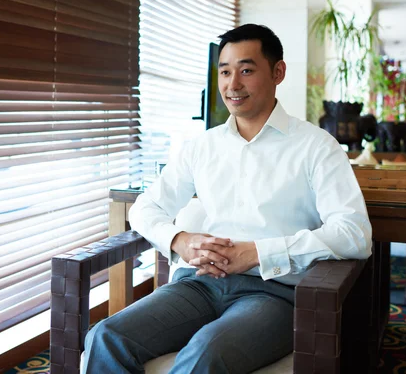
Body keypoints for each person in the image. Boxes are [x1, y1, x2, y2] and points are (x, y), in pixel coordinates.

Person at [83, 24, 372, 373]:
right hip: (200, 284)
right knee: (106, 335)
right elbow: (146, 207)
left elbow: (354, 233)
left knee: (206, 352)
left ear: (277, 72)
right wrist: (181, 240)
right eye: (224, 72)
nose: (232, 85)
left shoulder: (316, 146)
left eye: (246, 70)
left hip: (274, 294)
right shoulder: (202, 146)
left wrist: (256, 253)